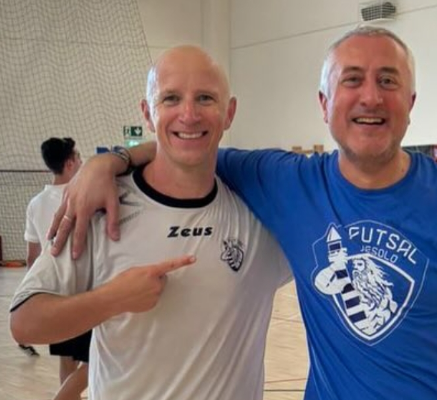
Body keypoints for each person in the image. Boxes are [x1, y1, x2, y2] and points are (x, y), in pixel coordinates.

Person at [44, 27, 437, 399]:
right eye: (353, 80)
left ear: (410, 101)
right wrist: (107, 162)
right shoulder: (286, 182)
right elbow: (189, 142)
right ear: (324, 103)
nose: (370, 96)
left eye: (387, 80)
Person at [10, 46, 291, 400]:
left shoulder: (258, 218)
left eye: (205, 98)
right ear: (147, 112)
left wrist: (116, 158)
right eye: (171, 98)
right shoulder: (101, 207)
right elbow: (24, 323)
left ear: (229, 112)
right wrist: (112, 299)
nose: (189, 114)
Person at [23, 137, 91, 400]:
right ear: (70, 162)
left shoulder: (35, 203)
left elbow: (32, 257)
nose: (82, 162)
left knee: (66, 358)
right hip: (84, 288)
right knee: (95, 356)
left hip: (53, 291)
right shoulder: (84, 196)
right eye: (79, 157)